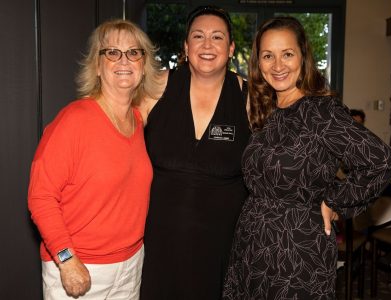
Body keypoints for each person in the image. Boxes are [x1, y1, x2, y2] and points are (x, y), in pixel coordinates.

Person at [222, 16, 391, 299]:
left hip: (297, 250)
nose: (277, 65)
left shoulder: (321, 111)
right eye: (268, 56)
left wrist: (335, 201)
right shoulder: (266, 110)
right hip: (252, 244)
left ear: (303, 57)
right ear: (259, 62)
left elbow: (381, 161)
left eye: (287, 54)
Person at [28, 19, 164, 299]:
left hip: (130, 264)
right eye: (112, 52)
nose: (123, 61)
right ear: (97, 66)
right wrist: (66, 260)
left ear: (143, 65)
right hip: (80, 266)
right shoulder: (74, 120)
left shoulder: (137, 119)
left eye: (134, 53)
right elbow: (41, 197)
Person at [138, 5, 251, 300]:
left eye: (217, 37)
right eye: (198, 36)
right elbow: (117, 139)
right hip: (159, 246)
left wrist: (319, 198)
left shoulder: (250, 99)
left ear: (231, 47)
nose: (207, 45)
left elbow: (283, 160)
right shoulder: (157, 87)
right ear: (186, 46)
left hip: (222, 251)